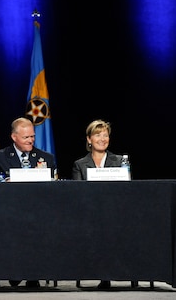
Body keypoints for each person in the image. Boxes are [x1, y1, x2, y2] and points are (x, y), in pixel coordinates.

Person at [0, 117, 57, 288]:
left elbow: (54, 184)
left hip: (38, 211)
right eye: (26, 137)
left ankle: (34, 274)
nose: (31, 140)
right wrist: (6, 183)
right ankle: (14, 272)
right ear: (14, 137)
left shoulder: (45, 157)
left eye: (32, 136)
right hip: (8, 211)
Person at [72, 119, 124, 289]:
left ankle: (109, 274)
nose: (102, 139)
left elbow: (127, 190)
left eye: (105, 135)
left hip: (115, 213)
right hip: (89, 214)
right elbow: (78, 193)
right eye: (97, 135)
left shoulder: (120, 161)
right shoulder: (79, 164)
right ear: (89, 139)